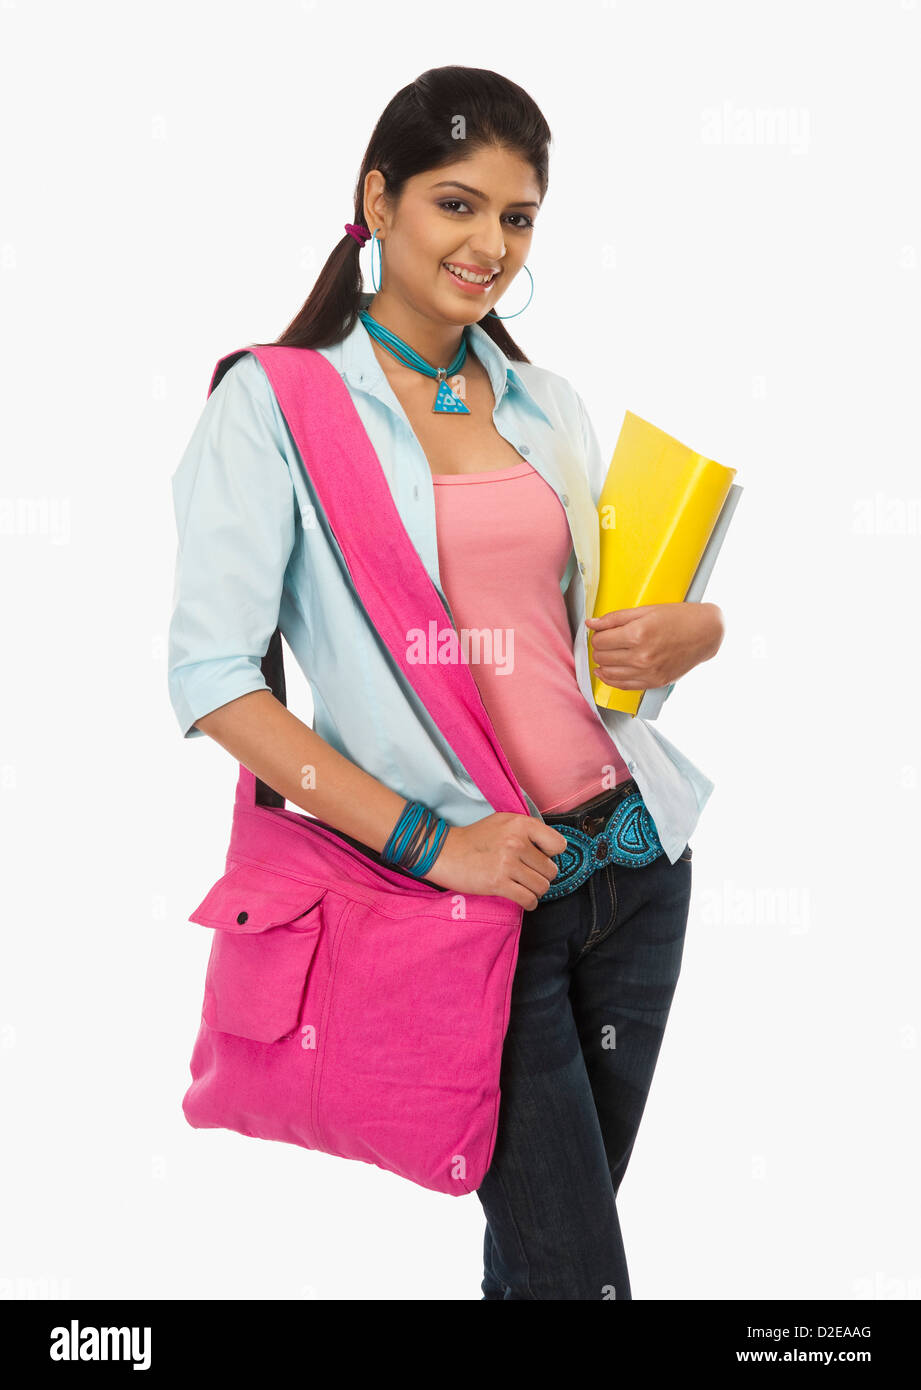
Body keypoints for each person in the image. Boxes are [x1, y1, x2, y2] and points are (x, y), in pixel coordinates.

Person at [167, 65, 725, 1300]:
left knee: (543, 1274)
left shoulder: (545, 406)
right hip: (478, 909)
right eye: (458, 205)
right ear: (379, 199)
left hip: (636, 869)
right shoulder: (277, 405)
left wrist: (692, 633)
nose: (491, 246)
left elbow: (573, 666)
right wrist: (433, 842)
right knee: (577, 1278)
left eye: (519, 219)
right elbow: (217, 683)